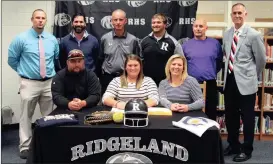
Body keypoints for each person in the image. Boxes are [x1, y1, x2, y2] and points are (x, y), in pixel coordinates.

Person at [7, 9, 59, 159]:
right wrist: (24, 72)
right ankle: (25, 146)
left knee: (49, 116)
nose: (40, 20)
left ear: (46, 21)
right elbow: (12, 60)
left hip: (48, 83)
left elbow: (55, 58)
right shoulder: (21, 39)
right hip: (28, 83)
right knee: (25, 117)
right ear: (32, 20)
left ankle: (49, 143)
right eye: (37, 18)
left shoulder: (52, 39)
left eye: (43, 18)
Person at [222, 3, 266, 162]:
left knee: (247, 117)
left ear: (245, 14)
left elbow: (261, 60)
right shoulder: (227, 34)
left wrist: (251, 76)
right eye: (234, 13)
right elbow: (226, 56)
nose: (237, 15)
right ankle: (233, 145)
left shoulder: (254, 34)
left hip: (247, 83)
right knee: (230, 116)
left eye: (240, 13)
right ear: (231, 15)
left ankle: (247, 149)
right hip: (230, 81)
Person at [182, 19, 223, 120]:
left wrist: (208, 72)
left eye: (201, 26)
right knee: (191, 113)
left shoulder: (215, 44)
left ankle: (209, 135)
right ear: (193, 28)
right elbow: (182, 64)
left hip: (210, 83)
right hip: (191, 84)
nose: (198, 29)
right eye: (196, 26)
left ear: (206, 28)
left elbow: (219, 62)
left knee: (210, 112)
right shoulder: (186, 45)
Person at [96, 9, 140, 95]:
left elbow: (137, 61)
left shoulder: (133, 40)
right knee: (107, 102)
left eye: (121, 19)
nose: (118, 22)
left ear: (125, 21)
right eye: (115, 20)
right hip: (107, 77)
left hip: (125, 77)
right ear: (111, 21)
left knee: (124, 99)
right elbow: (100, 58)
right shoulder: (105, 38)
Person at [140, 13, 184, 86]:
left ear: (165, 24)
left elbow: (181, 61)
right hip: (146, 82)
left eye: (158, 22)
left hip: (167, 82)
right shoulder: (144, 41)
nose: (155, 25)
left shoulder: (173, 42)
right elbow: (139, 61)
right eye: (153, 22)